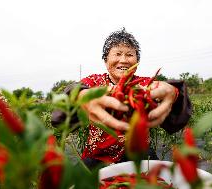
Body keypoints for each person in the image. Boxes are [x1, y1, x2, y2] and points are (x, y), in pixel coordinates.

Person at [51, 28, 192, 168]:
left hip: (139, 153)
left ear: (137, 61)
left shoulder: (145, 85)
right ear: (106, 61)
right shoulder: (94, 83)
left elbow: (170, 97)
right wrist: (82, 97)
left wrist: (173, 93)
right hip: (98, 157)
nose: (123, 60)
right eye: (117, 54)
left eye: (130, 54)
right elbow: (72, 94)